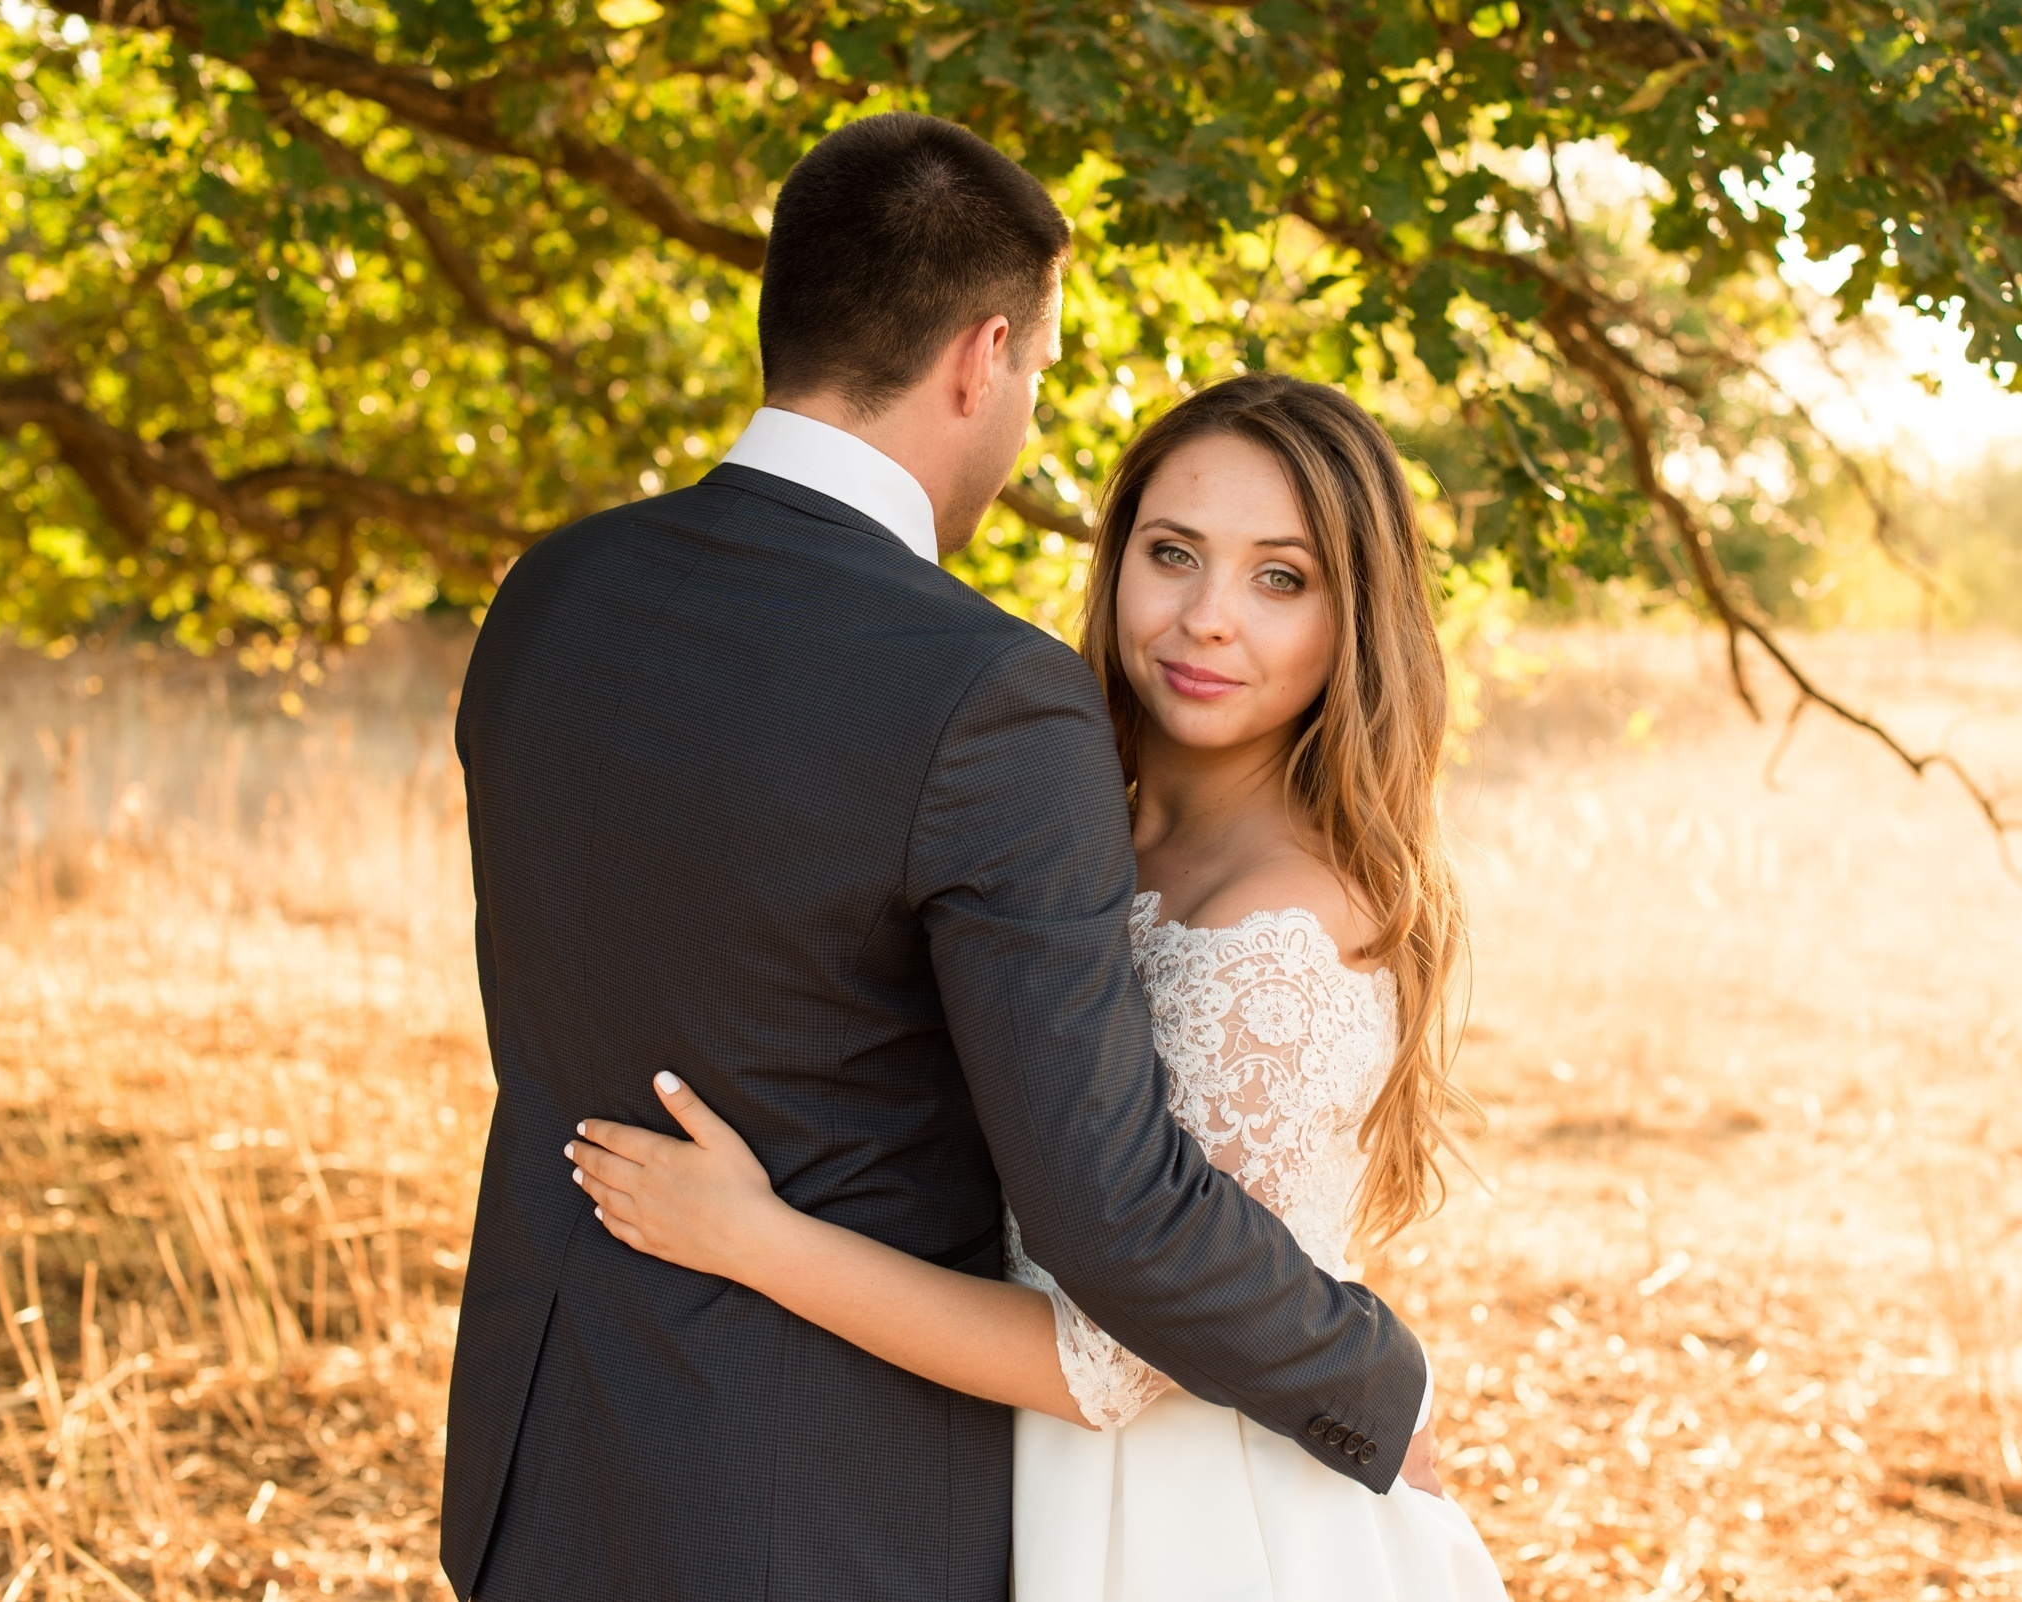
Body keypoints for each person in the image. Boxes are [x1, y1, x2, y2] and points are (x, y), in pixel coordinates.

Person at [440, 113, 1434, 1601]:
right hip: (816, 1501)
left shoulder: (554, 592)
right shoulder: (986, 698)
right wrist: (1377, 1371)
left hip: (547, 1453)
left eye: (1278, 577)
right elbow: (1122, 1219)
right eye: (1034, 373)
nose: (1208, 613)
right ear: (982, 357)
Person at [566, 374, 1508, 1599]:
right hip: (1008, 1479)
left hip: (1193, 1521)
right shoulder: (1070, 828)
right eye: (1173, 554)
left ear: (1355, 619)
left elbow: (1106, 1368)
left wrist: (757, 1240)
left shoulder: (1287, 927)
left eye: (1281, 577)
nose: (1207, 618)